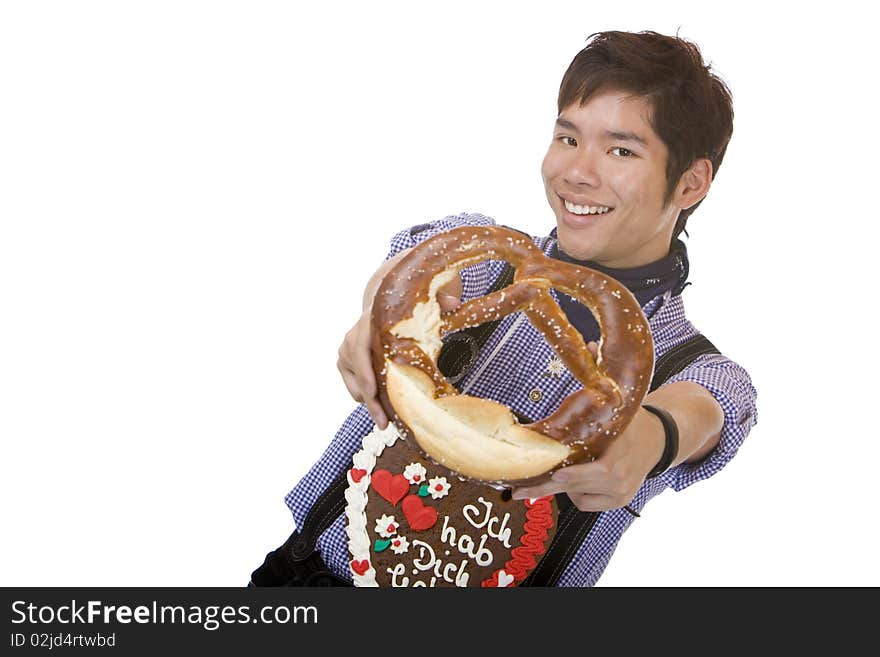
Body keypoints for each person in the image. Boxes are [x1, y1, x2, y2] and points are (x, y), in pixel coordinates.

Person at [251, 29, 758, 587]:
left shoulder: (686, 362)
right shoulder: (480, 256)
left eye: (620, 150)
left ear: (690, 184)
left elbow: (718, 408)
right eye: (567, 138)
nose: (577, 172)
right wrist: (377, 311)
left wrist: (656, 437)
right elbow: (408, 265)